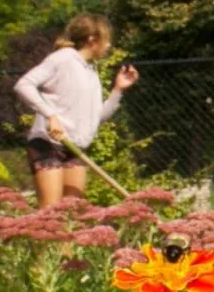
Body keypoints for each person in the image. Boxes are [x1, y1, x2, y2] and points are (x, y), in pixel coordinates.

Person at [14, 14, 138, 206]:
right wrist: (51, 116)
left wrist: (118, 90)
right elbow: (23, 85)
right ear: (92, 39)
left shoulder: (91, 69)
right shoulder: (62, 59)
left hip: (74, 148)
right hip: (48, 144)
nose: (108, 46)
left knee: (72, 213)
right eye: (106, 40)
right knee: (50, 214)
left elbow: (96, 118)